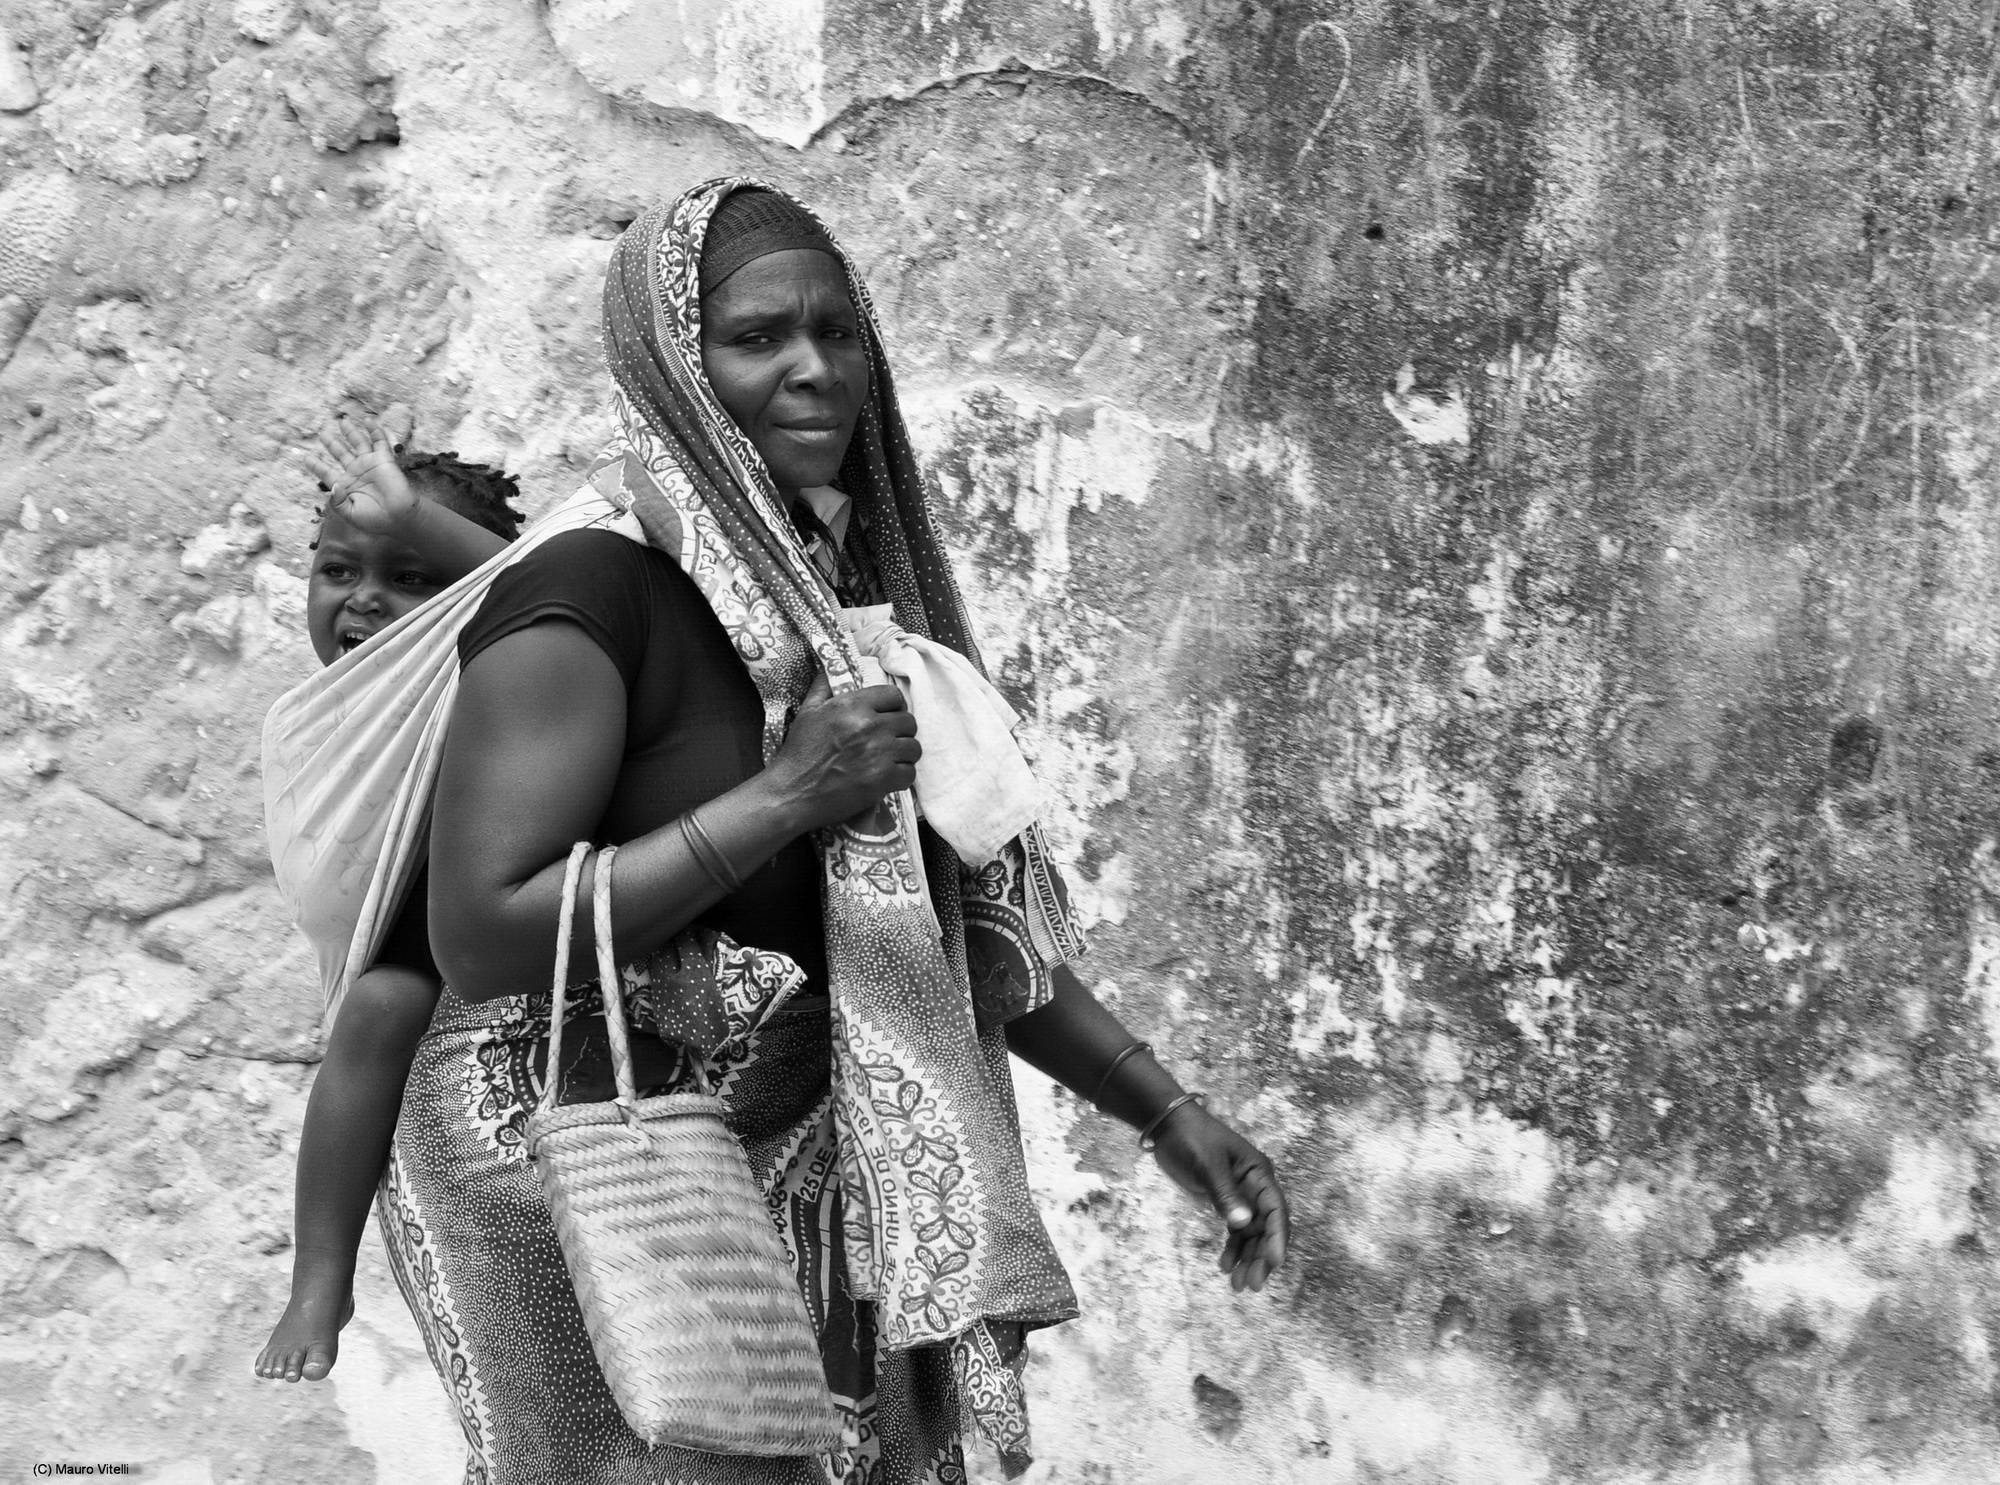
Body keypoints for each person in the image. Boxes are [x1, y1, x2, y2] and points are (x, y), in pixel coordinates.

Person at [383, 180, 1290, 1485]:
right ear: (676, 370)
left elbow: (945, 931)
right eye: (759, 339)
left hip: (774, 1134)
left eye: (839, 332)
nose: (814, 370)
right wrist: (789, 796)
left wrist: (1168, 1114)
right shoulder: (590, 595)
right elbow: (481, 929)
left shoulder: (844, 626)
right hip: (557, 1143)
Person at [253, 412, 519, 1384]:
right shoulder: (312, 720)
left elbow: (523, 579)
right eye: (338, 570)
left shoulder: (482, 662)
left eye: (411, 578)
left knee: (379, 1003)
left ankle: (319, 1285)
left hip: (487, 883)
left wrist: (413, 510)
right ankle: (318, 1274)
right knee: (368, 1007)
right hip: (416, 922)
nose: (363, 600)